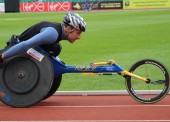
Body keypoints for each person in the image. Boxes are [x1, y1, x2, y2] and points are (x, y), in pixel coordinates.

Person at [0, 11, 86, 63]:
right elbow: (25, 45)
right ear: (68, 29)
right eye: (78, 33)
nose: (79, 37)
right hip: (16, 47)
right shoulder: (53, 34)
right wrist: (2, 56)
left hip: (23, 49)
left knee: (55, 48)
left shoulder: (57, 32)